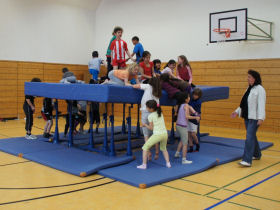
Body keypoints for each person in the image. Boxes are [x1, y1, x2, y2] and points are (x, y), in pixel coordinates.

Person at [231, 70, 266, 167]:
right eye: (248, 77)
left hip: (254, 118)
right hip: (247, 116)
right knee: (252, 136)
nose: (248, 78)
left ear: (255, 78)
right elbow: (244, 103)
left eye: (249, 77)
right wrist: (237, 111)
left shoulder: (260, 89)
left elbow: (261, 105)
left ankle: (247, 160)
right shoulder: (249, 88)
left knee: (249, 138)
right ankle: (257, 154)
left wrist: (261, 118)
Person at [133, 77, 162, 160]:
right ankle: (156, 151)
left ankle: (148, 151)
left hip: (146, 111)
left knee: (146, 134)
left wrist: (130, 84)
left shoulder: (148, 86)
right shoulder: (158, 91)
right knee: (155, 133)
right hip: (154, 112)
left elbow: (136, 86)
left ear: (150, 82)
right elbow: (158, 104)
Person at [137, 100, 171, 169]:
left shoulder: (150, 116)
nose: (146, 108)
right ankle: (168, 163)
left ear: (151, 109)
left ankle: (144, 165)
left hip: (157, 135)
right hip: (165, 134)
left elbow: (151, 128)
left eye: (147, 107)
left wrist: (145, 125)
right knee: (164, 149)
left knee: (145, 147)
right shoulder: (160, 113)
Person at [174, 92, 200, 164]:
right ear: (186, 99)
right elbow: (187, 116)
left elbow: (191, 109)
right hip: (182, 127)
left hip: (178, 125)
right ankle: (184, 159)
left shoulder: (181, 105)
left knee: (182, 140)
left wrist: (195, 113)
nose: (190, 98)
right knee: (185, 143)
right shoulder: (185, 105)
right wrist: (196, 117)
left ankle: (177, 153)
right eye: (188, 97)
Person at [188, 88, 202, 152]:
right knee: (188, 133)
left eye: (196, 95)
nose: (194, 96)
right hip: (189, 118)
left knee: (193, 134)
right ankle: (191, 147)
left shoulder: (199, 102)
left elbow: (197, 112)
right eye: (194, 94)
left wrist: (198, 117)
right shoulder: (190, 99)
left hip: (194, 119)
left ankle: (197, 144)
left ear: (199, 96)